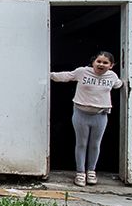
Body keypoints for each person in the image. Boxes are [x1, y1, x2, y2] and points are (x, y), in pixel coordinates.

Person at [50, 52, 121, 187]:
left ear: (111, 66)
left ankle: (91, 171)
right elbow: (67, 76)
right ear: (93, 62)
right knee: (81, 143)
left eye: (105, 63)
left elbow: (119, 84)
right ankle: (80, 173)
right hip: (81, 113)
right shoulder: (82, 72)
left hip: (100, 115)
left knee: (95, 144)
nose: (101, 64)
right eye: (98, 61)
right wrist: (50, 75)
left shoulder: (112, 76)